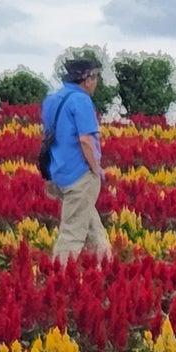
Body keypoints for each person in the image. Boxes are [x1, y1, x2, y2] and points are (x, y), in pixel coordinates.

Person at [42, 57, 110, 261]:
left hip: (58, 173)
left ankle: (106, 265)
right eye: (95, 77)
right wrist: (95, 168)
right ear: (86, 79)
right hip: (79, 175)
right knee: (72, 234)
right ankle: (58, 277)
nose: (96, 82)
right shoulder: (81, 100)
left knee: (92, 225)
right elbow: (86, 140)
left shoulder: (53, 100)